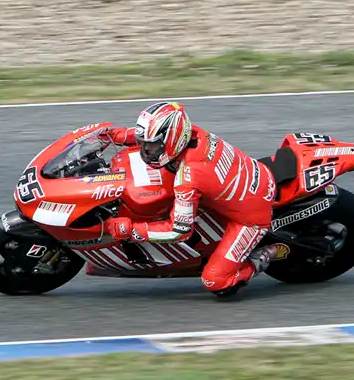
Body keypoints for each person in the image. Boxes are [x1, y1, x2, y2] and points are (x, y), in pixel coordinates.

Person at [98, 101, 287, 297]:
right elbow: (160, 134)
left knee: (216, 281)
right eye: (144, 143)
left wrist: (132, 230)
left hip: (251, 217)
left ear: (172, 140)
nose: (146, 151)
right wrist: (118, 135)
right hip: (248, 179)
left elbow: (178, 231)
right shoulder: (189, 132)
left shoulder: (188, 177)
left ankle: (264, 255)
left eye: (153, 146)